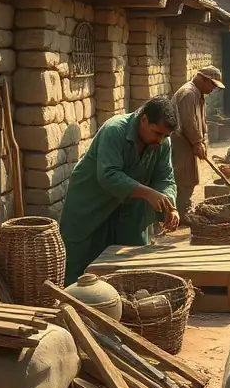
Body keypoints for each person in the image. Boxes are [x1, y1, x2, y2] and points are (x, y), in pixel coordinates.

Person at [59, 96, 181, 285]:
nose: (160, 140)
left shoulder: (162, 142)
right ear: (143, 119)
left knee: (131, 262)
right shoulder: (114, 130)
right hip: (91, 204)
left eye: (165, 136)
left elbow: (165, 177)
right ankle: (74, 307)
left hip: (129, 208)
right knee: (81, 264)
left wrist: (169, 205)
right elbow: (108, 175)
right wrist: (148, 193)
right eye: (157, 133)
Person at [171, 66, 225, 222]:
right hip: (182, 141)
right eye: (212, 85)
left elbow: (199, 120)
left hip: (189, 141)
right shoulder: (188, 93)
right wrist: (197, 142)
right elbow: (189, 121)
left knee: (190, 176)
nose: (213, 89)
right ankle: (181, 213)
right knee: (184, 177)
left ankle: (184, 208)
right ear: (202, 79)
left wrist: (202, 140)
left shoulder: (197, 93)